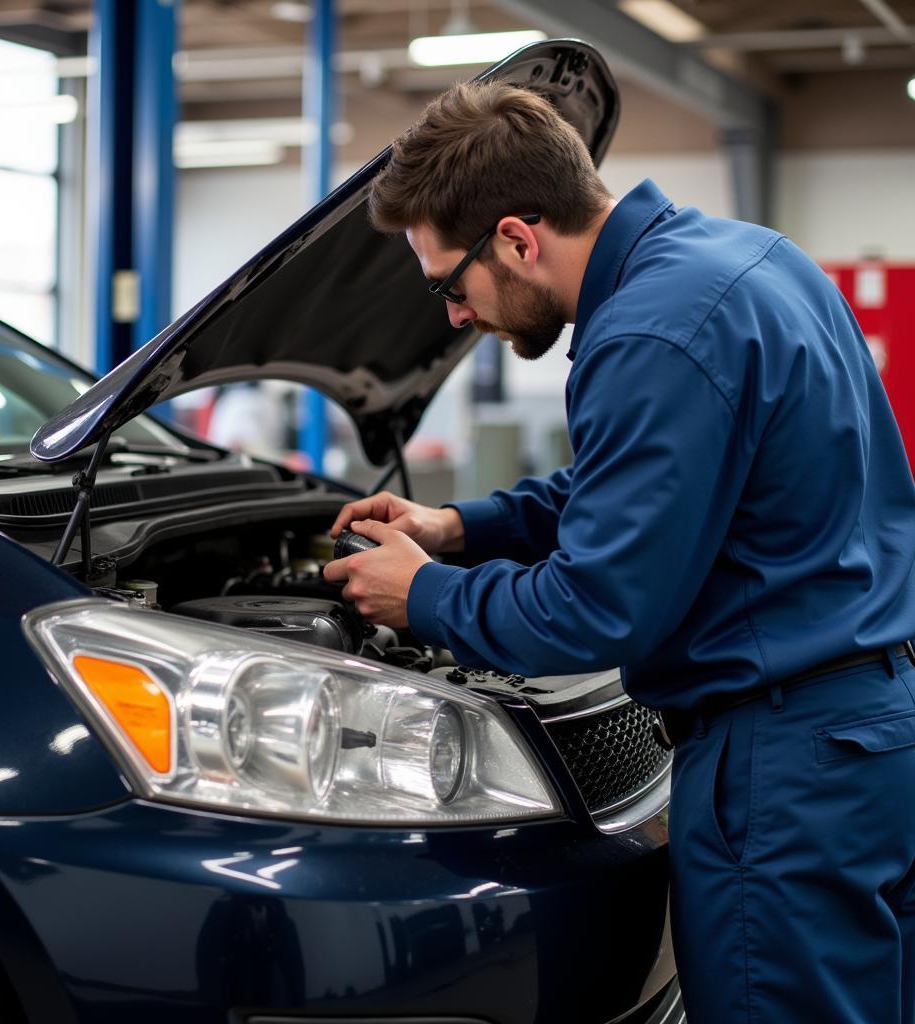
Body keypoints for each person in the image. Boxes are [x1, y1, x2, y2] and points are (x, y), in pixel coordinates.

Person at [322, 80, 915, 1023]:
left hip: (783, 770)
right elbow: (651, 489)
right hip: (871, 735)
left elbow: (598, 607)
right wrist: (463, 528)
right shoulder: (752, 256)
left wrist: (427, 597)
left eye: (449, 284)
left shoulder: (648, 332)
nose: (454, 317)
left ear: (517, 236)